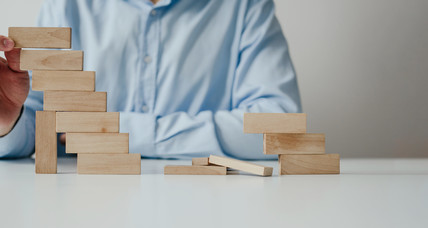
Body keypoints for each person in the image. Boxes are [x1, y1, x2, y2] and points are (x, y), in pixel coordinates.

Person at [0, 0, 301, 159]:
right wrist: (9, 120)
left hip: (209, 205)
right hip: (84, 206)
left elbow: (280, 128)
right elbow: (43, 124)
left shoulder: (245, 5)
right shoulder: (67, 4)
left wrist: (129, 132)